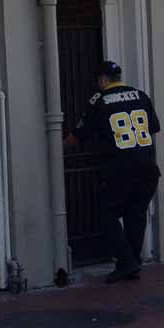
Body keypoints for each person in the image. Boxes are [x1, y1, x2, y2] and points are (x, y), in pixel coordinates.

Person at [64, 60, 161, 282]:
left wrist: (55, 147)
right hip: (148, 169)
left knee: (106, 216)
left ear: (103, 79)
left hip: (119, 170)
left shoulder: (99, 100)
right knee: (135, 216)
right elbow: (153, 127)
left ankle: (126, 262)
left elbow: (79, 135)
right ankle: (132, 263)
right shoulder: (140, 95)